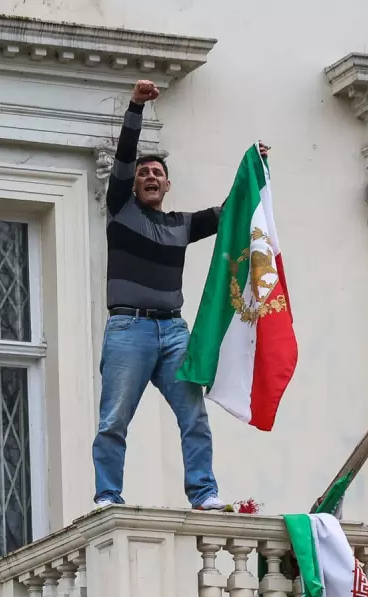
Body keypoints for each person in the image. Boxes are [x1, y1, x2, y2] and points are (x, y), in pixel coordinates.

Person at [92, 79, 269, 510]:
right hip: (129, 327)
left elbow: (233, 213)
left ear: (167, 186)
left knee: (194, 417)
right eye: (144, 174)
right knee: (115, 419)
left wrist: (257, 168)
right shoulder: (120, 213)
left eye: (158, 174)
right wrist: (135, 108)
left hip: (173, 332)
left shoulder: (180, 225)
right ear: (134, 186)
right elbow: (123, 158)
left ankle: (204, 493)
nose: (150, 177)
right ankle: (108, 496)